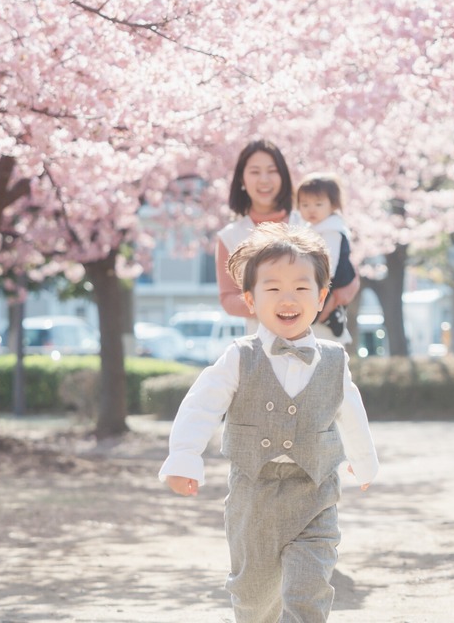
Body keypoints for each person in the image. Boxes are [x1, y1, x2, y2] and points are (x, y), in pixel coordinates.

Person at [160, 223, 379, 623]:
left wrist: (363, 461)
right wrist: (184, 457)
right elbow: (201, 406)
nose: (287, 298)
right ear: (250, 299)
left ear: (321, 296)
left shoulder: (334, 360)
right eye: (273, 288)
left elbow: (350, 411)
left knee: (309, 587)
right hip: (253, 495)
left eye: (301, 287)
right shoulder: (239, 357)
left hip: (315, 493)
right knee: (254, 594)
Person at [215, 139, 299, 329]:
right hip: (262, 340)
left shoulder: (306, 224)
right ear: (242, 179)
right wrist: (270, 306)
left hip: (317, 336)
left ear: (283, 176)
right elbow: (228, 298)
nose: (264, 179)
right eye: (255, 172)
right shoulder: (230, 236)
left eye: (272, 171)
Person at [296, 173, 357, 341]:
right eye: (305, 204)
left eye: (318, 204)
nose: (311, 209)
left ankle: (334, 318)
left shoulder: (331, 230)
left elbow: (331, 262)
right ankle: (332, 317)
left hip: (332, 278)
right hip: (320, 277)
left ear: (333, 204)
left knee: (313, 314)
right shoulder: (312, 228)